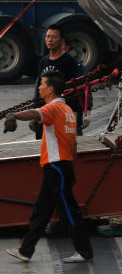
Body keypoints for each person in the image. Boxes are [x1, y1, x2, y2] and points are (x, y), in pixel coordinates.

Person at [5, 71, 93, 264]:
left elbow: (34, 113)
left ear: (51, 89)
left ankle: (84, 251)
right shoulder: (67, 110)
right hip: (60, 166)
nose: (39, 87)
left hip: (57, 167)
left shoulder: (53, 108)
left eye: (42, 84)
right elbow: (73, 144)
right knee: (41, 210)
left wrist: (13, 115)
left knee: (68, 210)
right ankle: (26, 250)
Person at [31, 25, 87, 139]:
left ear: (62, 41)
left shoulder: (71, 62)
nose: (50, 40)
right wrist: (35, 113)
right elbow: (39, 87)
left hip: (63, 114)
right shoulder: (43, 61)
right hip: (45, 112)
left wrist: (77, 116)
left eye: (54, 37)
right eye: (48, 37)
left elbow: (78, 90)